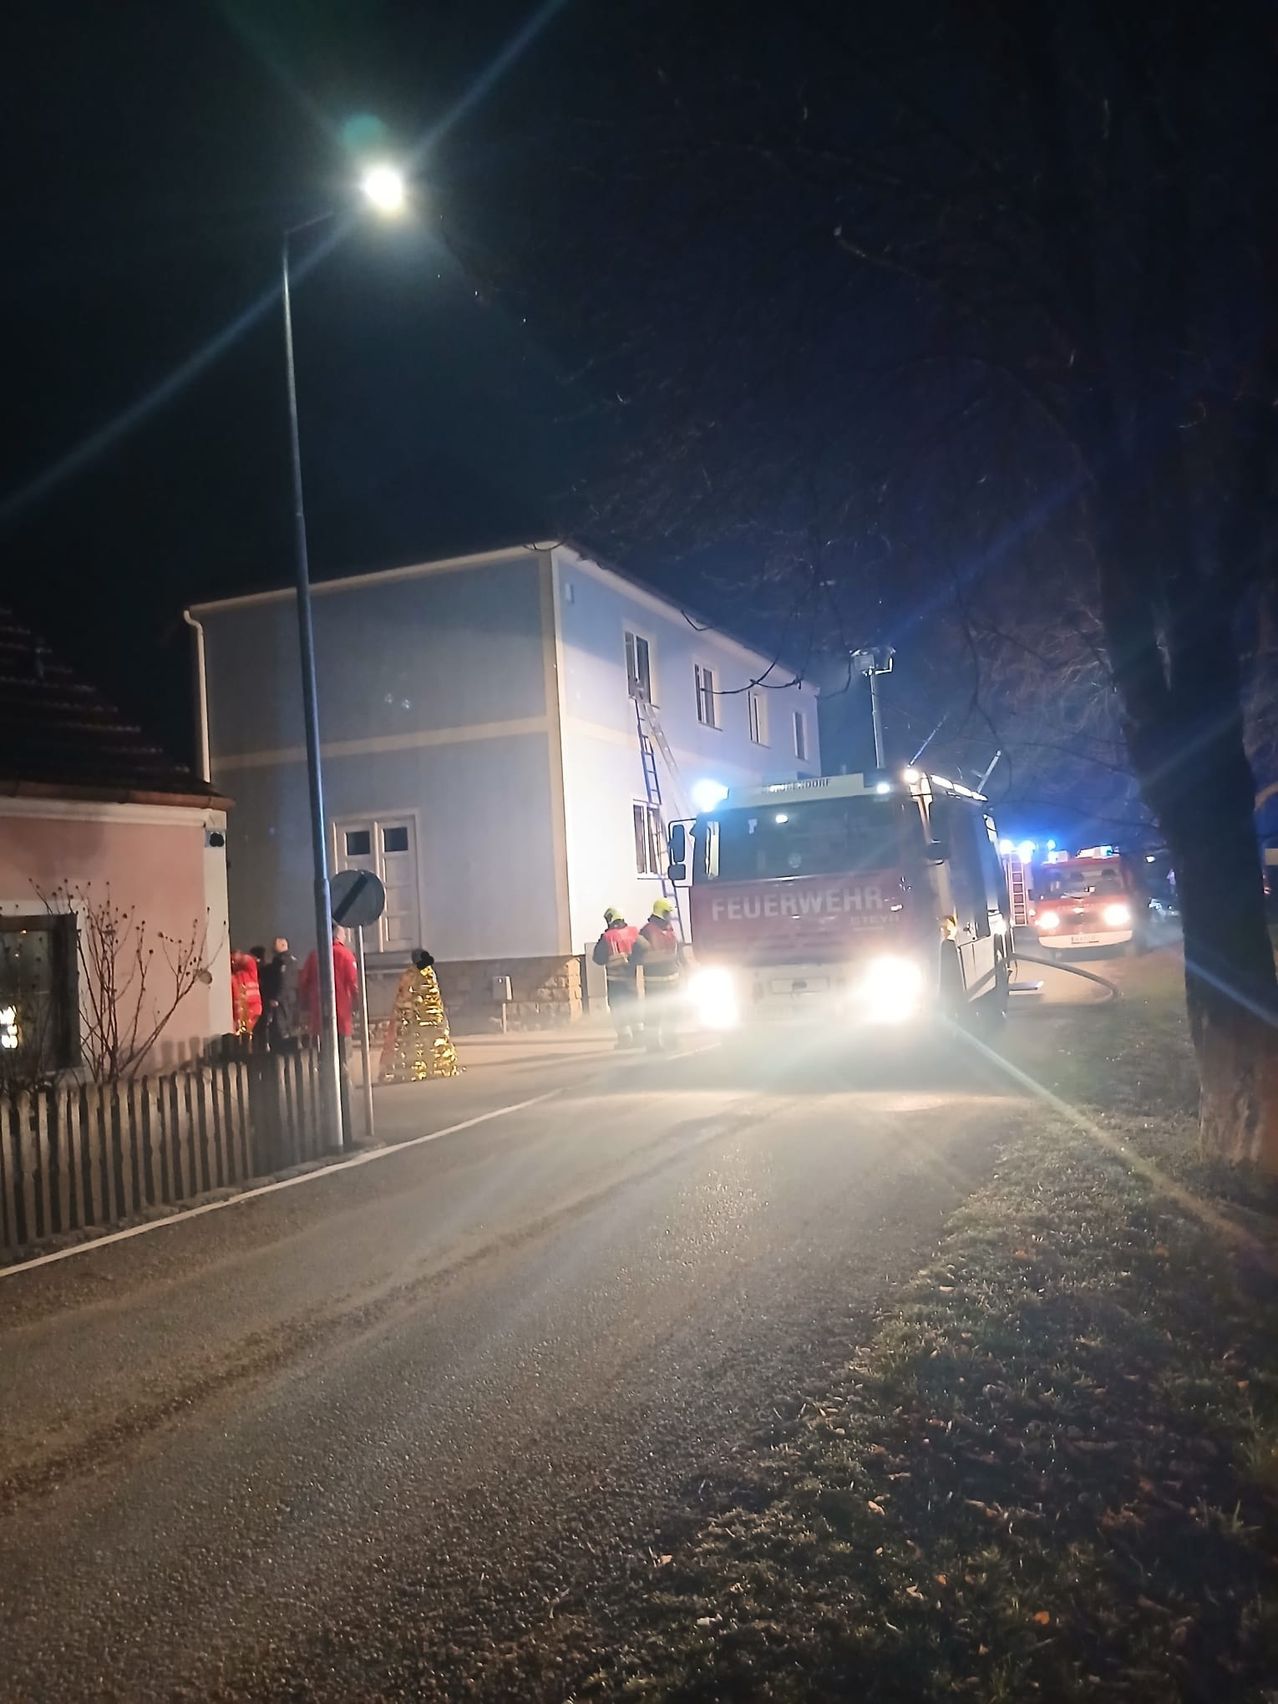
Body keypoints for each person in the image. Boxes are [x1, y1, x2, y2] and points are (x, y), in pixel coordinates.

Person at [298, 929, 360, 1134]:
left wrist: (306, 1010)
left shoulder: (315, 956)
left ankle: (326, 1094)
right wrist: (358, 1005)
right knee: (343, 1059)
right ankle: (343, 1097)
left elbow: (303, 984)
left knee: (324, 1060)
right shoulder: (345, 955)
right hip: (341, 1019)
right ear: (339, 936)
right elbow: (353, 984)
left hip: (319, 1020)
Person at [380, 949, 461, 1082]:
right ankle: (439, 1066)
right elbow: (435, 997)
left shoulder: (409, 975)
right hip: (433, 1020)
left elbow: (404, 998)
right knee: (434, 1043)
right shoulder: (430, 973)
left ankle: (415, 1069)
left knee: (414, 1044)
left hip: (415, 1019)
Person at [630, 897, 683, 1052]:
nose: (669, 917)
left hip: (672, 979)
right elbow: (636, 953)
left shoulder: (669, 929)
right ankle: (652, 1045)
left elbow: (677, 951)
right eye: (667, 913)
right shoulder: (647, 930)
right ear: (661, 913)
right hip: (655, 981)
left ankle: (670, 1038)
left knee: (673, 1011)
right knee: (654, 1014)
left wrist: (684, 968)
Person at [592, 906, 641, 1048]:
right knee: (634, 1008)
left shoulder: (608, 937)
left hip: (615, 982)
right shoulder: (633, 932)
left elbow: (598, 958)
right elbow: (643, 949)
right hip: (631, 980)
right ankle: (639, 1037)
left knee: (619, 1010)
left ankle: (625, 1040)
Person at [255, 936, 297, 1053]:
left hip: (282, 1001)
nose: (272, 947)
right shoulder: (280, 961)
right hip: (284, 1000)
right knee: (277, 1028)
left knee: (281, 1028)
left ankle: (282, 1053)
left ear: (282, 946)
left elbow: (284, 981)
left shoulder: (285, 962)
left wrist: (276, 998)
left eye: (275, 945)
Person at [230, 950, 262, 1040]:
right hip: (242, 1011)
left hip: (252, 1007)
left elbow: (249, 960)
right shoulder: (234, 977)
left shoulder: (249, 970)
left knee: (245, 1035)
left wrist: (234, 957)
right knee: (243, 1035)